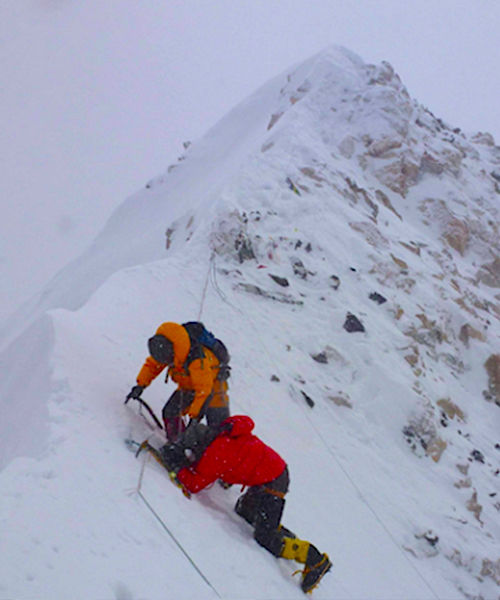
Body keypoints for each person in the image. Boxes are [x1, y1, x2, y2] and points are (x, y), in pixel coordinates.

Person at [160, 415, 332, 594]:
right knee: (244, 511)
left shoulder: (216, 451)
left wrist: (178, 467)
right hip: (271, 469)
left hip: (273, 480)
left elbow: (194, 485)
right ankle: (281, 532)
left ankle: (314, 558)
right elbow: (242, 431)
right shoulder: (224, 431)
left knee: (264, 537)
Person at [126, 322, 230, 440]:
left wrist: (194, 418)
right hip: (188, 387)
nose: (165, 363)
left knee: (219, 430)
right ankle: (178, 443)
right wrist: (140, 385)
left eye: (167, 360)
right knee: (170, 413)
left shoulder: (196, 359)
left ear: (172, 351)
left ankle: (212, 454)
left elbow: (204, 390)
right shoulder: (164, 350)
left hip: (214, 389)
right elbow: (152, 366)